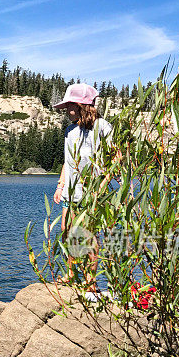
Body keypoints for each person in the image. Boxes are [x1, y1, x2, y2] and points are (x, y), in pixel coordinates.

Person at [52, 83, 113, 290]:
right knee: (67, 230)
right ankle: (71, 274)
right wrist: (60, 185)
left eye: (69, 105)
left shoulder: (103, 127)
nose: (66, 111)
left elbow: (116, 159)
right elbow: (67, 162)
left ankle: (90, 281)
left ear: (81, 105)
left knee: (88, 234)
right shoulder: (70, 131)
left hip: (92, 192)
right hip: (70, 190)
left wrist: (101, 187)